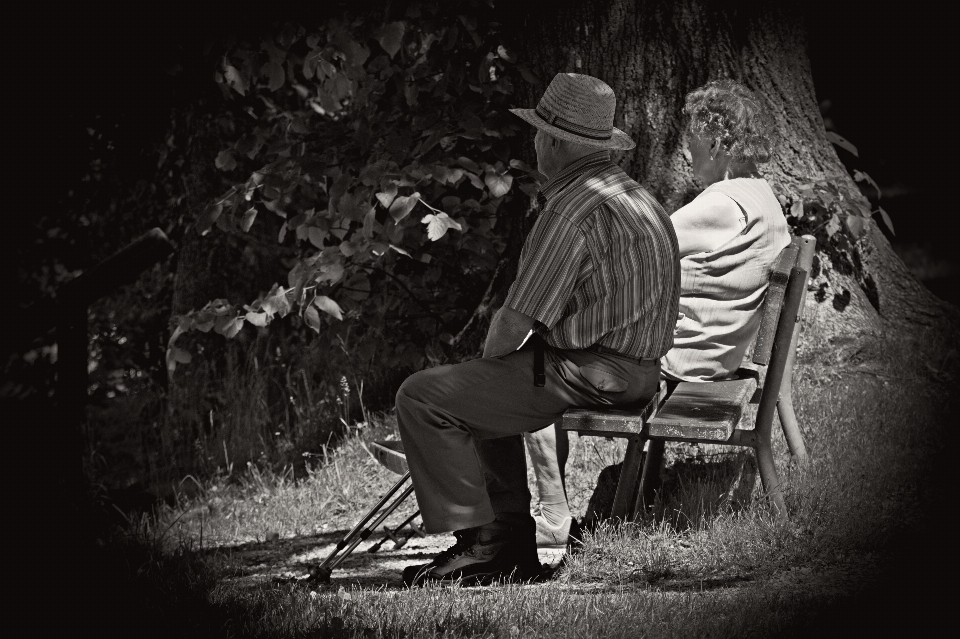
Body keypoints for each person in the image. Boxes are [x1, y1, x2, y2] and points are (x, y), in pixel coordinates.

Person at [394, 73, 680, 586]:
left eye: (537, 133)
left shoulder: (571, 209)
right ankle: (501, 541)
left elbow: (515, 319)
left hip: (595, 369)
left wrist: (480, 374)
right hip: (639, 370)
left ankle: (488, 544)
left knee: (425, 395)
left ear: (549, 140)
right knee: (487, 388)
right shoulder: (636, 195)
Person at [528, 78, 792, 544]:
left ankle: (552, 512)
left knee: (533, 366)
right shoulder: (764, 199)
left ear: (716, 142)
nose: (687, 157)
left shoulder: (721, 206)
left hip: (675, 366)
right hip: (714, 357)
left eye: (691, 145)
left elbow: (637, 248)